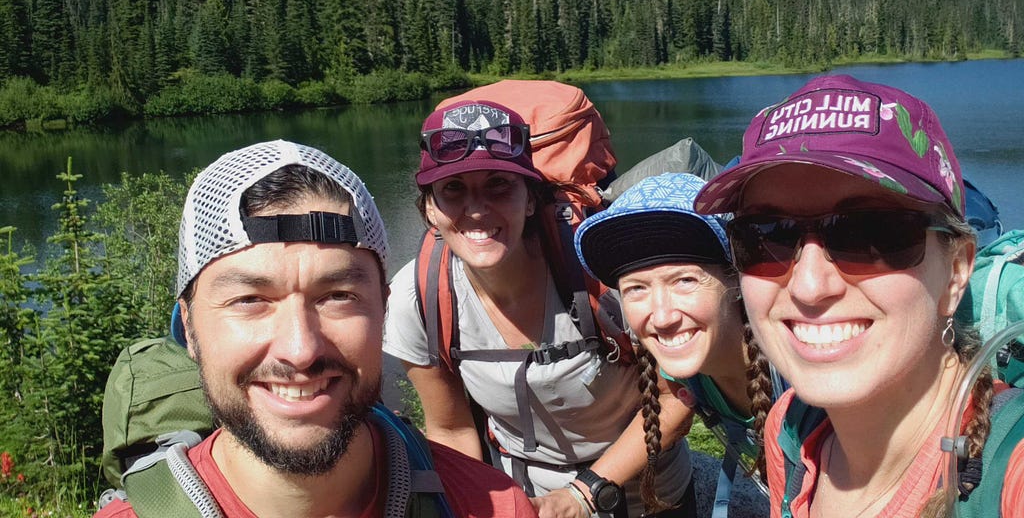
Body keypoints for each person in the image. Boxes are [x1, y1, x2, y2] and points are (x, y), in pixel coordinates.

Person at [95, 139, 538, 518]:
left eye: (338, 296)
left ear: (383, 310)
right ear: (189, 329)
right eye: (250, 300)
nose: (300, 349)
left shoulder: (491, 506)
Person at [692, 74, 1024, 518]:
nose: (810, 287)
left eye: (871, 233)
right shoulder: (791, 427)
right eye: (765, 236)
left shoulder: (1009, 472)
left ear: (956, 270)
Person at [384, 101, 695, 518]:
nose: (476, 210)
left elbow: (677, 399)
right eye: (453, 189)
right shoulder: (418, 295)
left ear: (530, 200)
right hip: (527, 502)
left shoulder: (595, 271)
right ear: (430, 209)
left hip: (652, 497)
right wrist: (480, 504)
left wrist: (581, 495)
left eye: (499, 185)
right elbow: (453, 428)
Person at [575, 171, 777, 518]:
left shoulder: (794, 372)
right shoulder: (680, 366)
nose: (663, 316)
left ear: (736, 279)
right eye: (636, 288)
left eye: (684, 281)